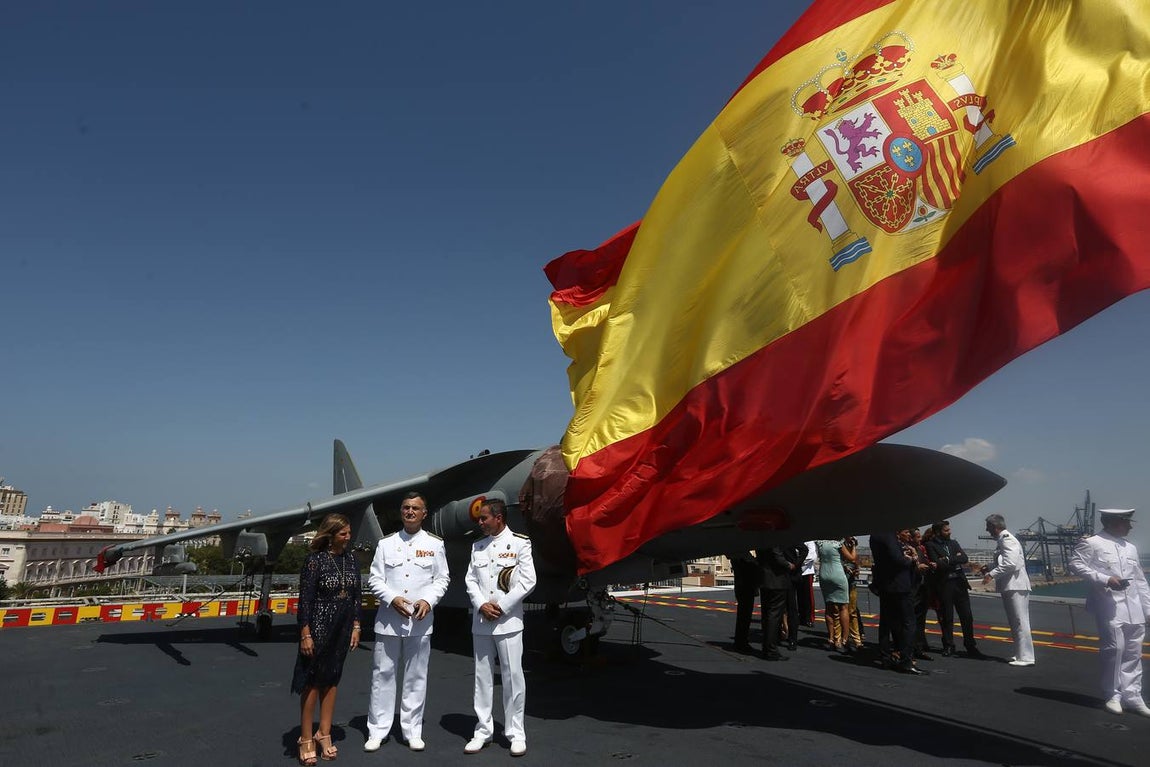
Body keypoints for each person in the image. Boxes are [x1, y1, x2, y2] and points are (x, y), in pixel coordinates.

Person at [365, 492, 450, 752]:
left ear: (425, 514)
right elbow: (375, 579)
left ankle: (412, 730)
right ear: (401, 512)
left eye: (415, 508)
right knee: (383, 675)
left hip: (420, 622)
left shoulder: (435, 544)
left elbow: (442, 579)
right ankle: (378, 730)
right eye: (405, 508)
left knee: (416, 677)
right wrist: (393, 599)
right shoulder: (386, 544)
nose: (410, 512)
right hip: (389, 621)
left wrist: (427, 600)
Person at [464, 498, 536, 756]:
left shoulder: (520, 543)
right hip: (482, 621)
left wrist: (501, 606)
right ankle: (482, 730)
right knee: (482, 678)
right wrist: (482, 604)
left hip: (508, 621)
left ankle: (516, 733)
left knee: (513, 677)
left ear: (499, 517)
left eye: (484, 518)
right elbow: (471, 580)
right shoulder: (478, 547)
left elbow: (528, 581)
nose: (480, 522)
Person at [292, 513, 362, 765]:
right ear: (330, 535)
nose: (348, 537)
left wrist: (356, 626)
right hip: (319, 627)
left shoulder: (352, 560)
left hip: (342, 630)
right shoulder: (315, 561)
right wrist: (305, 633)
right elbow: (305, 600)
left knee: (332, 680)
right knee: (312, 682)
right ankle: (306, 737)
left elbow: (356, 597)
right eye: (343, 533)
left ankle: (325, 732)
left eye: (349, 532)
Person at [1069, 508, 1150, 715]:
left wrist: (1147, 610)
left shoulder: (1130, 548)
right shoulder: (1092, 542)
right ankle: (1112, 694)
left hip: (1134, 607)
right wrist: (1105, 579)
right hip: (1108, 604)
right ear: (1114, 522)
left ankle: (1133, 695)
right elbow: (1076, 565)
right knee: (1114, 649)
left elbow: (1140, 581)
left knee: (1133, 652)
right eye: (1127, 523)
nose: (1130, 527)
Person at [870, 529, 927, 675]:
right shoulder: (888, 535)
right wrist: (911, 559)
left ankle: (885, 658)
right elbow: (897, 559)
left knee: (885, 623)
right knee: (909, 623)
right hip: (900, 586)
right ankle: (906, 661)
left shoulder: (875, 535)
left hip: (885, 585)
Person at [925, 521, 985, 658]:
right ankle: (948, 645)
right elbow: (938, 565)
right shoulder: (930, 545)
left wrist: (946, 559)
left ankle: (970, 645)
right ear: (938, 532)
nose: (950, 532)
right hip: (945, 585)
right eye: (946, 530)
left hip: (959, 583)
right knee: (947, 617)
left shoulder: (953, 543)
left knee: (967, 616)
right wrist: (953, 560)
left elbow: (964, 558)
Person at [980, 514, 1034, 667]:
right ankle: (1020, 654)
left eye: (988, 527)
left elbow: (1011, 563)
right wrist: (989, 567)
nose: (987, 530)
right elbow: (1005, 561)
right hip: (1011, 585)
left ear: (995, 527)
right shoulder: (1002, 540)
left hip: (1016, 585)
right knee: (1015, 622)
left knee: (1020, 621)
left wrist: (991, 574)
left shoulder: (1007, 539)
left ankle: (1027, 657)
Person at [815, 539, 850, 652]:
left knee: (828, 607)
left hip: (824, 574)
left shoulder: (820, 542)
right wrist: (853, 547)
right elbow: (851, 558)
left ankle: (831, 638)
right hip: (837, 573)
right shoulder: (838, 543)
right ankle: (843, 640)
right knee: (843, 607)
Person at [759, 547, 792, 661]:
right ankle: (771, 650)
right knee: (774, 616)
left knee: (767, 615)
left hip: (765, 580)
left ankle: (767, 648)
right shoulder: (773, 539)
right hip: (777, 581)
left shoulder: (760, 539)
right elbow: (778, 557)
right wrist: (789, 565)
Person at [729, 551, 762, 653]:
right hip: (746, 588)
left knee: (743, 617)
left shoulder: (737, 554)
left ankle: (741, 642)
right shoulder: (742, 555)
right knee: (744, 617)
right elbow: (752, 565)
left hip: (742, 588)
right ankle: (741, 643)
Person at [841, 537, 864, 650]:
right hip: (842, 580)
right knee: (842, 610)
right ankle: (845, 637)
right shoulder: (840, 544)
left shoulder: (851, 545)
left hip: (851, 581)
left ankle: (856, 639)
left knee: (852, 611)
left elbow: (855, 560)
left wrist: (856, 569)